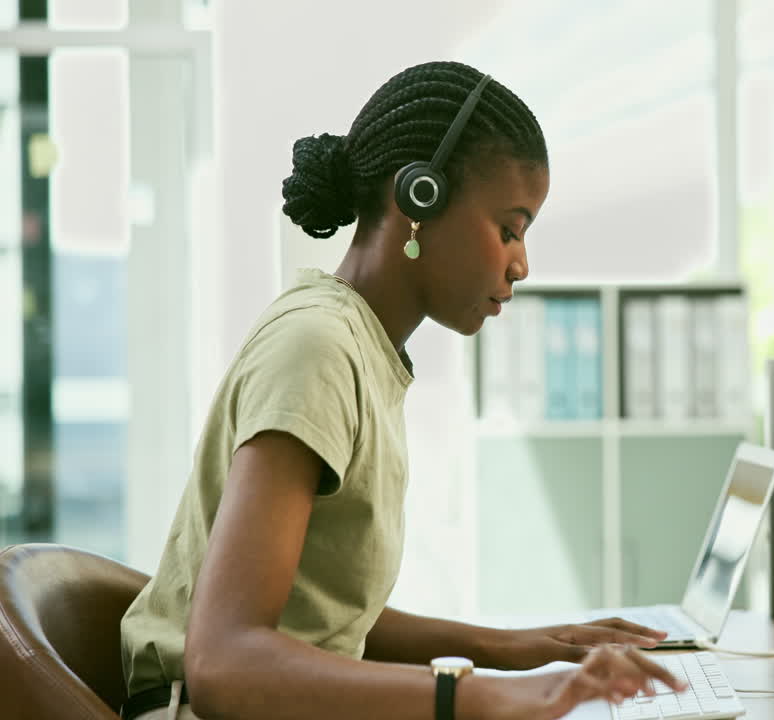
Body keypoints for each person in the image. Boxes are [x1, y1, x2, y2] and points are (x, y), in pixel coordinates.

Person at [119, 60, 684, 720]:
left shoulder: (362, 347)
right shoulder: (318, 347)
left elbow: (326, 620)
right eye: (509, 228)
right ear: (418, 198)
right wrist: (478, 696)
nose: (521, 264)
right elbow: (224, 662)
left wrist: (520, 648)